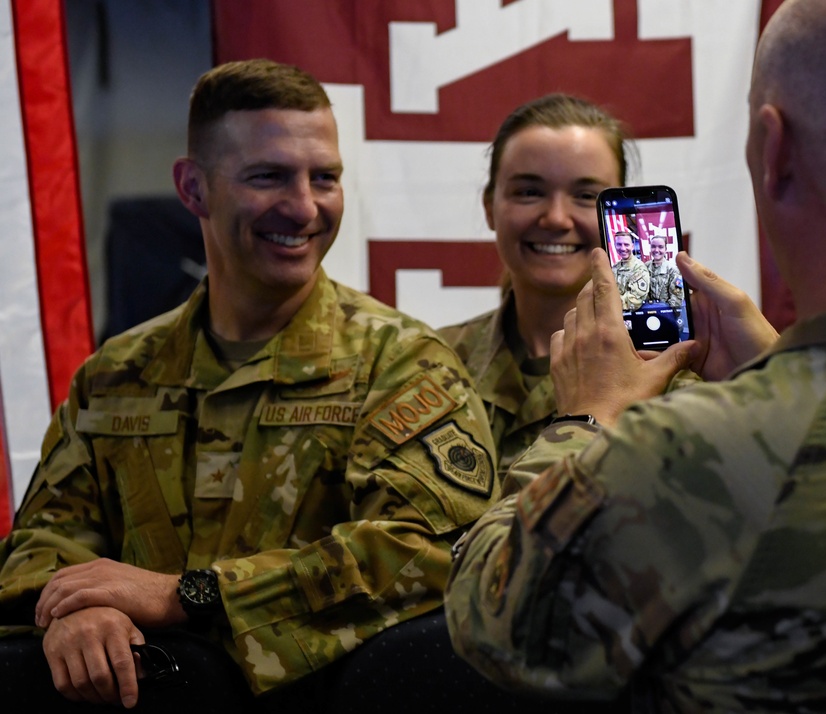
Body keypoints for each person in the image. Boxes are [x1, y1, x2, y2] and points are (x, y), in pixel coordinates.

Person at [445, 0, 826, 710]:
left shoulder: (683, 456)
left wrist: (585, 424)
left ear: (774, 150)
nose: (557, 217)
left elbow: (495, 618)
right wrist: (773, 368)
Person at [0, 58, 500, 711]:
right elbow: (42, 538)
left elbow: (434, 555)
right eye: (268, 177)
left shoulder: (400, 364)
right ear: (193, 188)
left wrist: (190, 595)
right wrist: (77, 611)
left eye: (325, 178)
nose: (303, 206)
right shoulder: (118, 374)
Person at [437, 94, 632, 483]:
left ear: (619, 217)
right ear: (490, 207)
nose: (556, 218)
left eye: (586, 195)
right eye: (529, 192)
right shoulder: (430, 365)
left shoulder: (665, 368)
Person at [611, 229, 650, 309]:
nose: (622, 248)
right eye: (619, 244)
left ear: (632, 246)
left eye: (626, 244)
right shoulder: (614, 268)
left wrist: (611, 304)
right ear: (615, 245)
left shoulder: (639, 268)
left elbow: (636, 299)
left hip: (632, 316)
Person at [647, 236, 682, 308]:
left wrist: (667, 313)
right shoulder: (645, 267)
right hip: (648, 310)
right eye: (653, 246)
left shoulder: (673, 269)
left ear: (665, 249)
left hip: (666, 311)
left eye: (660, 247)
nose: (656, 250)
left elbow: (676, 297)